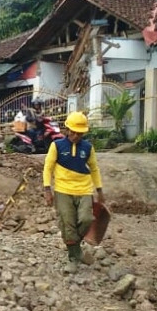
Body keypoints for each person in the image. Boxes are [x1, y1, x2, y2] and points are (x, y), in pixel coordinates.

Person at [43, 111, 106, 264]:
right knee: (68, 222)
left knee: (86, 219)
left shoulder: (88, 148)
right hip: (62, 190)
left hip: (84, 190)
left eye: (79, 133)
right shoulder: (56, 146)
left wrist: (99, 190)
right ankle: (74, 255)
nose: (76, 136)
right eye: (73, 132)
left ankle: (74, 243)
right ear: (67, 130)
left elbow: (94, 169)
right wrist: (47, 189)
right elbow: (48, 167)